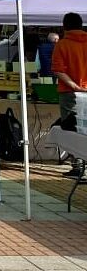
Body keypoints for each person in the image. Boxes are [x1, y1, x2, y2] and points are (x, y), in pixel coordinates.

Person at [52, 13, 87, 177]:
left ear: (64, 26)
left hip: (70, 93)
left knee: (72, 129)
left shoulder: (62, 44)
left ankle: (78, 166)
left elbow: (58, 69)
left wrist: (73, 85)